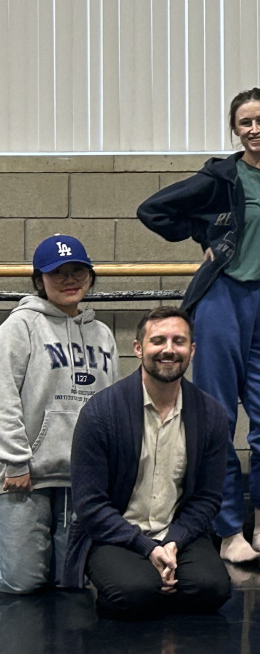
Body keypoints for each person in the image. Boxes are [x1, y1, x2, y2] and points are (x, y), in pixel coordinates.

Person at [137, 86, 260, 563]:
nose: (255, 129)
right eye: (245, 122)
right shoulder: (222, 175)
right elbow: (153, 210)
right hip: (224, 300)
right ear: (235, 129)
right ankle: (227, 532)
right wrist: (207, 235)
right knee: (219, 421)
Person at [62, 306, 231, 619]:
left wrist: (171, 544)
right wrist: (146, 548)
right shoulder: (100, 413)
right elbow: (90, 505)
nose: (169, 349)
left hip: (177, 534)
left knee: (213, 589)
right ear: (138, 348)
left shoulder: (211, 415)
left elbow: (208, 498)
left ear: (191, 350)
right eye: (158, 341)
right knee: (133, 594)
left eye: (179, 341)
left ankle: (158, 582)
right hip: (116, 534)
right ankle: (148, 584)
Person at [0, 235, 117, 594]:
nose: (69, 280)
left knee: (72, 582)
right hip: (28, 475)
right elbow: (4, 398)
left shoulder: (102, 334)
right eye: (58, 273)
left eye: (78, 272)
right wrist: (16, 461)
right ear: (39, 281)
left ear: (90, 277)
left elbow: (109, 406)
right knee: (23, 583)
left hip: (81, 478)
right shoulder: (18, 327)